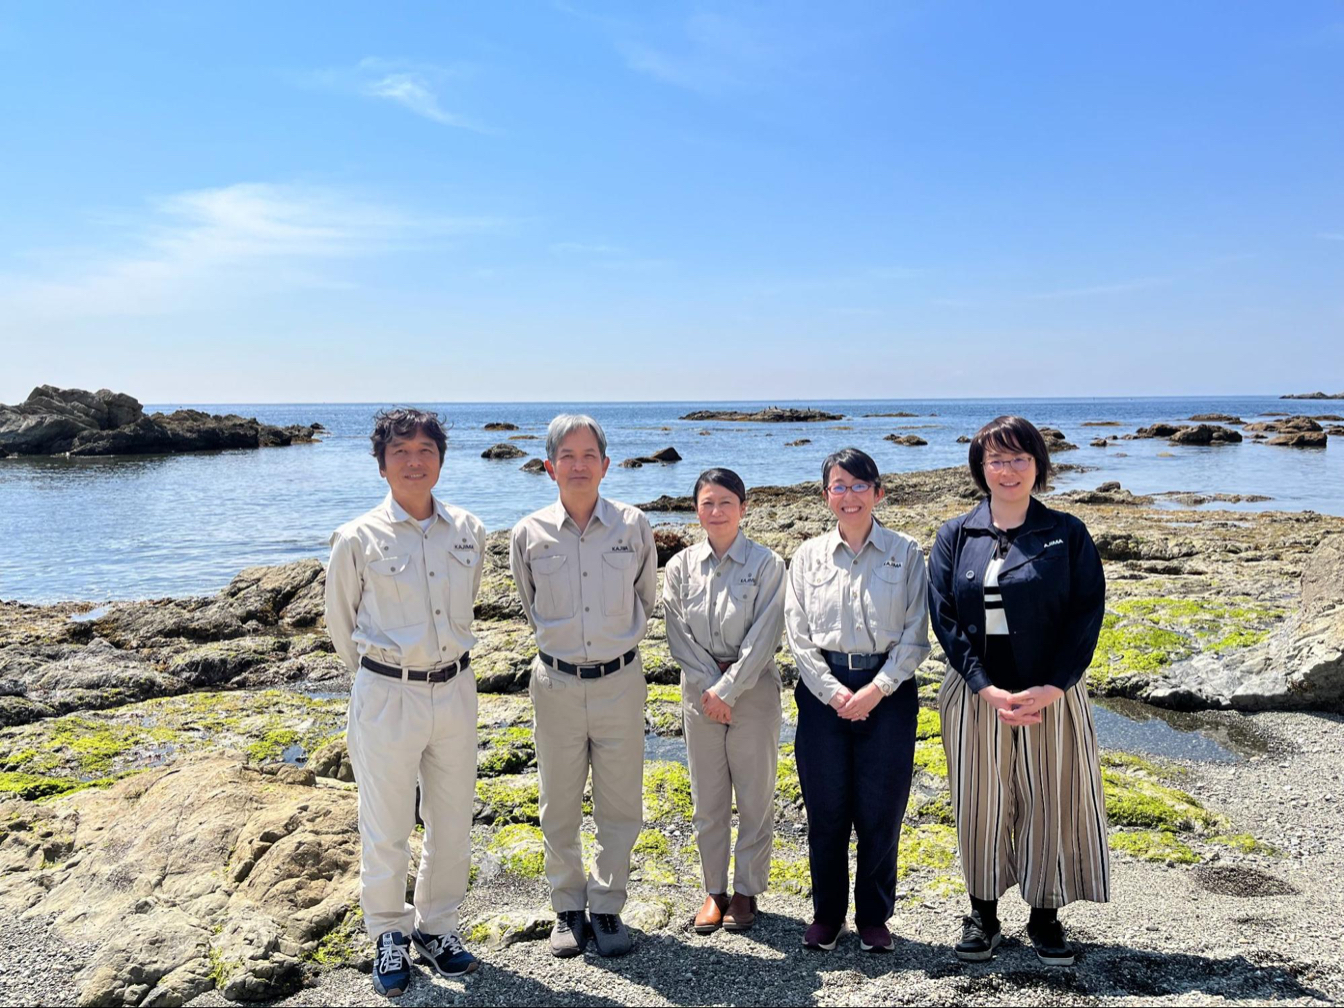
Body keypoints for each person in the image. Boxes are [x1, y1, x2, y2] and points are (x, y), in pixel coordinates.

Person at [928, 415, 1109, 967]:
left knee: (1050, 801)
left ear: (1038, 465)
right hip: (977, 696)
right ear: (980, 468)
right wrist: (984, 687)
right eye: (996, 460)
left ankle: (1045, 915)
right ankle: (982, 914)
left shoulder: (1066, 532)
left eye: (1019, 458)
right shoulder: (956, 534)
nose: (1008, 470)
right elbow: (945, 617)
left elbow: (1086, 614)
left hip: (1051, 696)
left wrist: (1054, 686)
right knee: (980, 805)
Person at [325, 408, 486, 997]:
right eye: (401, 452)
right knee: (386, 823)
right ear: (382, 464)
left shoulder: (469, 529)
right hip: (387, 694)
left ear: (440, 459)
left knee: (451, 821)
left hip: (456, 689)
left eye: (425, 450)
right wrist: (384, 675)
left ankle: (436, 926)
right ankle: (389, 931)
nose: (414, 461)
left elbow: (464, 602)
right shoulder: (357, 538)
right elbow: (342, 626)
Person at [509, 414, 657, 959]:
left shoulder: (633, 526)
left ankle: (608, 904)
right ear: (549, 467)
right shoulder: (528, 532)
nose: (577, 464)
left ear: (606, 464)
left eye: (588, 454)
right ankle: (568, 907)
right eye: (566, 455)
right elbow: (530, 605)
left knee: (622, 804)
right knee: (558, 804)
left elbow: (646, 599)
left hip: (622, 680)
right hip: (557, 683)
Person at [783, 447, 930, 954]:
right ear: (827, 495)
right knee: (826, 811)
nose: (849, 496)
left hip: (888, 695)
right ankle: (827, 915)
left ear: (878, 491)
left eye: (859, 485)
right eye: (839, 486)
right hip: (823, 697)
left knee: (880, 812)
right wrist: (832, 691)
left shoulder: (907, 553)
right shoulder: (806, 556)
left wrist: (876, 689)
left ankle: (873, 917)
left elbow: (916, 635)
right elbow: (797, 635)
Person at [662, 468, 787, 934]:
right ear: (696, 509)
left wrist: (729, 688)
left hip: (753, 691)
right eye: (707, 503)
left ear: (743, 507)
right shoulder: (679, 567)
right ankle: (713, 891)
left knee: (755, 796)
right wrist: (709, 688)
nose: (716, 512)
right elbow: (677, 633)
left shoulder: (767, 564)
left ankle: (747, 893)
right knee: (707, 799)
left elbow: (766, 634)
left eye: (726, 503)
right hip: (699, 695)